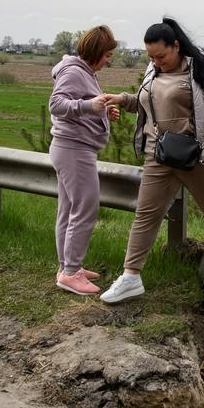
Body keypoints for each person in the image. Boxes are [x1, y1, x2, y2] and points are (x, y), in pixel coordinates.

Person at [101, 18, 204, 303]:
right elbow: (148, 104)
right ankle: (131, 277)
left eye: (161, 56)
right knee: (146, 213)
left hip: (196, 154)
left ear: (177, 46)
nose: (156, 62)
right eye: (151, 57)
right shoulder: (153, 70)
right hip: (158, 153)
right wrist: (122, 99)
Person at [48, 25, 121, 296]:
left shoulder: (83, 71)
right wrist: (90, 107)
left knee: (68, 210)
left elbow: (81, 102)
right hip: (74, 150)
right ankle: (70, 273)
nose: (108, 60)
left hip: (71, 148)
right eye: (107, 55)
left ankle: (68, 267)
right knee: (85, 208)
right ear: (95, 52)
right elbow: (56, 105)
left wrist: (102, 113)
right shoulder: (74, 71)